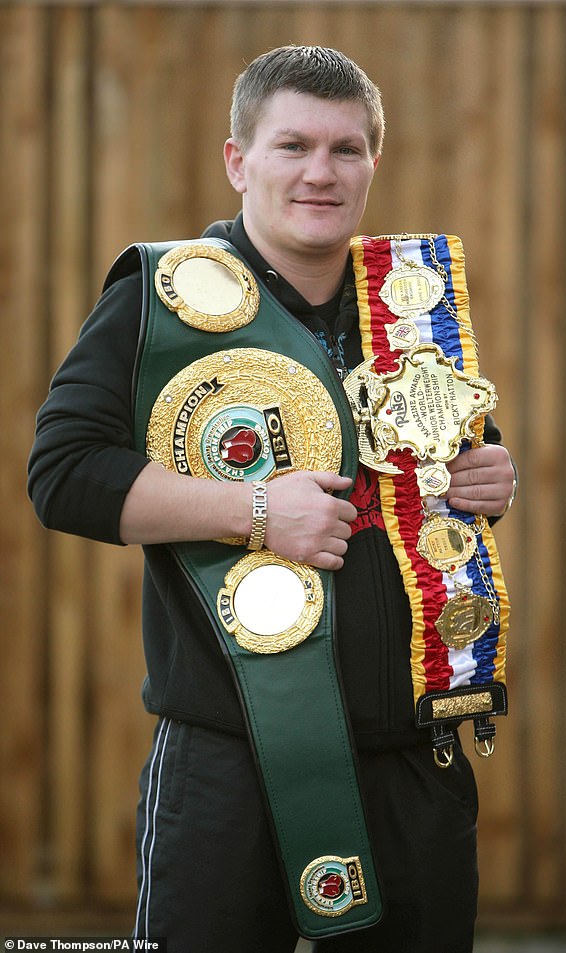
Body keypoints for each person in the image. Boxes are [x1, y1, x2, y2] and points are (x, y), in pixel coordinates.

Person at [28, 46, 516, 953]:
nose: (320, 172)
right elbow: (62, 474)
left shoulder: (409, 303)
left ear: (376, 161)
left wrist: (489, 476)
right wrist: (254, 513)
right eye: (292, 145)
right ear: (237, 160)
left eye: (347, 149)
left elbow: (440, 475)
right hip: (231, 758)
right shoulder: (160, 299)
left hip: (412, 757)